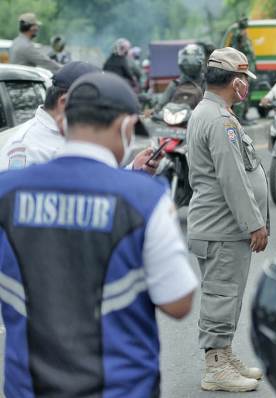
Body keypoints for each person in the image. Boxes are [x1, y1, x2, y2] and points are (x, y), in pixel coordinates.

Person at [0, 71, 197, 398]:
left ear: (64, 123)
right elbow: (177, 302)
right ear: (124, 127)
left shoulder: (6, 192)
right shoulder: (145, 199)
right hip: (121, 387)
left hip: (28, 387)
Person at [186, 47, 269, 392]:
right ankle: (215, 366)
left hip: (223, 226)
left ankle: (223, 353)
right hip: (222, 227)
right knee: (221, 295)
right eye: (244, 80)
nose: (246, 86)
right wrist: (255, 223)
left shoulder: (215, 113)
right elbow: (232, 177)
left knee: (229, 293)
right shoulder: (219, 120)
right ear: (235, 82)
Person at [0, 61, 161, 173]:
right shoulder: (26, 148)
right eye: (96, 104)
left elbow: (95, 183)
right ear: (64, 102)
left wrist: (134, 169)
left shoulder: (79, 133)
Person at [157, 43, 206, 110]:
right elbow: (160, 106)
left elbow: (160, 106)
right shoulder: (175, 84)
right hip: (175, 118)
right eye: (187, 65)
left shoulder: (205, 83)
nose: (189, 67)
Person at [232, 17, 255, 124]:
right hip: (242, 68)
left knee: (246, 92)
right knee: (241, 91)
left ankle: (244, 116)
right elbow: (237, 49)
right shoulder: (238, 34)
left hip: (248, 67)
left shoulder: (243, 33)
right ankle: (239, 118)